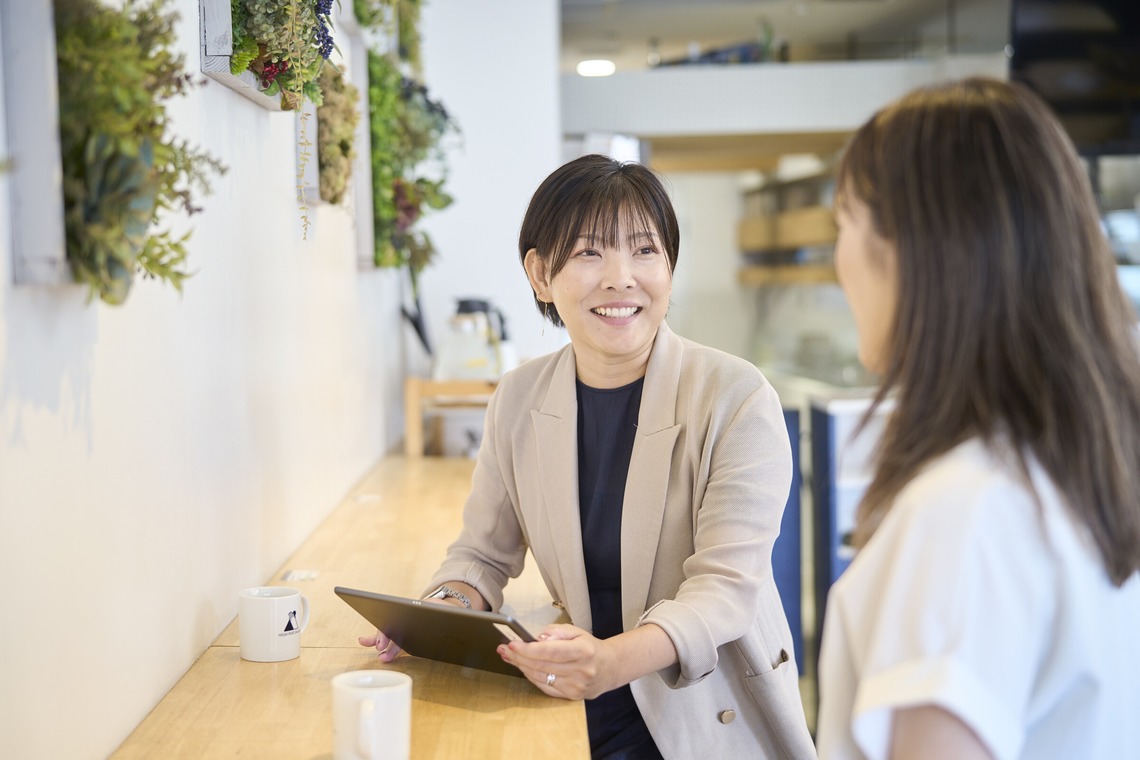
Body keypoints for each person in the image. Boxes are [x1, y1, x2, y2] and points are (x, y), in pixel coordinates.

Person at [360, 154, 816, 759]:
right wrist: (437, 614)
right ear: (540, 274)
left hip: (704, 711)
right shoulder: (519, 398)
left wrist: (607, 662)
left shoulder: (736, 397)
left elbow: (724, 593)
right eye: (589, 252)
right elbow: (481, 554)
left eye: (645, 251)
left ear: (670, 268)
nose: (622, 278)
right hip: (569, 696)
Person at [816, 76, 1140, 760]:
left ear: (915, 249)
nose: (837, 259)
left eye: (843, 222)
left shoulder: (964, 512)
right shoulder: (1087, 472)